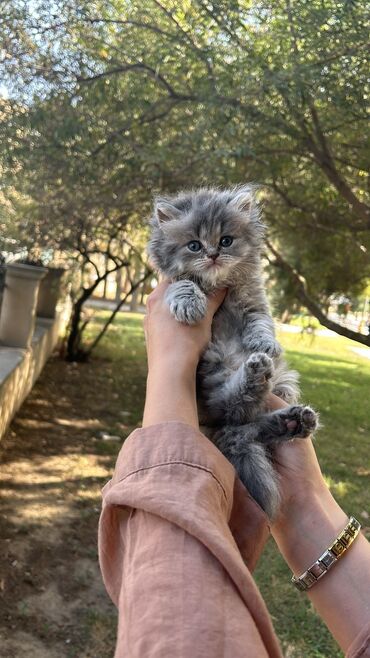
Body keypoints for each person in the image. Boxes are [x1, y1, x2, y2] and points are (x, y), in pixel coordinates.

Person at [99, 282, 370, 658]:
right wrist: (303, 502)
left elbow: (173, 603)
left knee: (240, 420)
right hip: (234, 407)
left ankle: (257, 425)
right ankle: (260, 428)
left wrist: (167, 373)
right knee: (239, 427)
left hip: (227, 396)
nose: (213, 254)